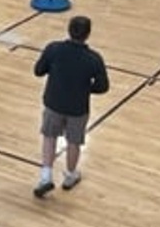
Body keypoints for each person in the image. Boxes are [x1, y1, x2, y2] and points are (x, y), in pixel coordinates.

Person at [33, 15, 109, 197]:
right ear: (88, 34)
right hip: (77, 107)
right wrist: (85, 88)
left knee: (49, 137)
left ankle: (46, 177)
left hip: (53, 102)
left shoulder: (53, 49)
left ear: (69, 30)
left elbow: (38, 70)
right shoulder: (93, 59)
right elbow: (103, 86)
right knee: (74, 141)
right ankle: (70, 175)